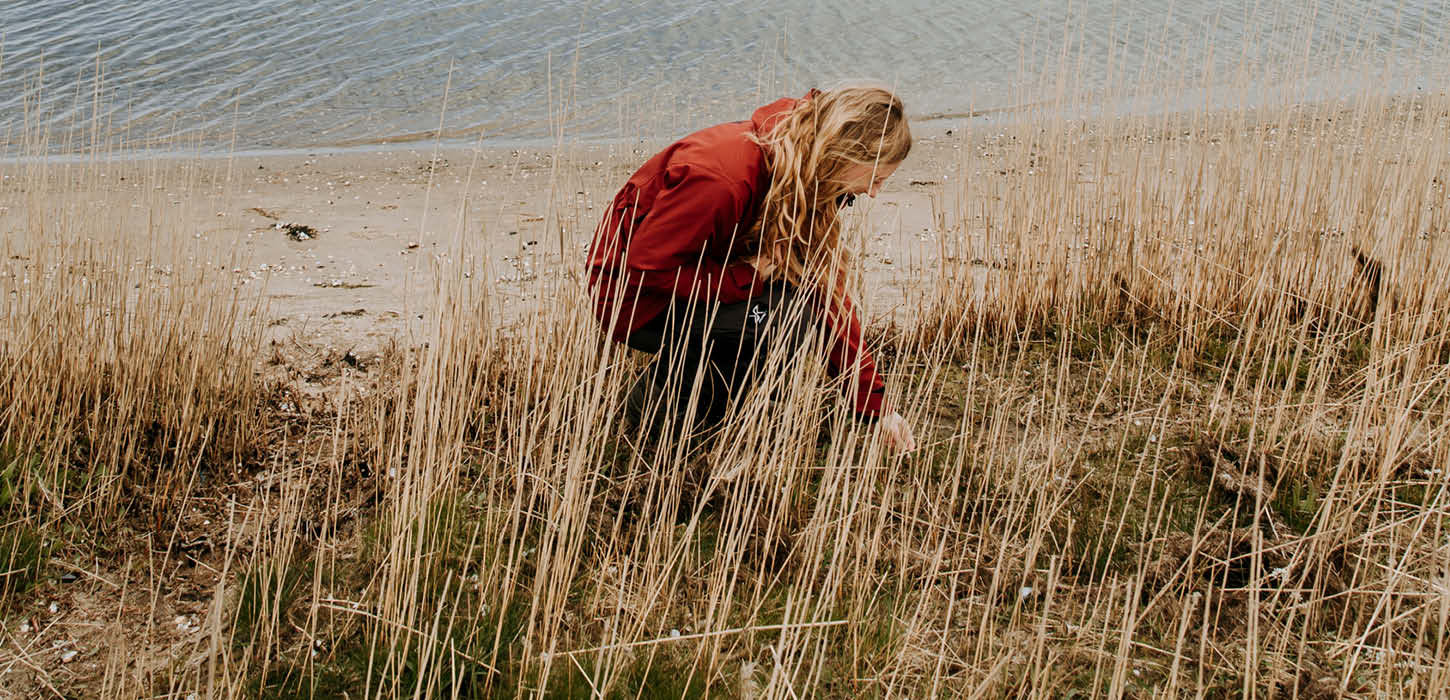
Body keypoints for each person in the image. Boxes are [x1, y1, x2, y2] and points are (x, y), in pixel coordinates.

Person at [587, 84, 917, 454]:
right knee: (774, 323)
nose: (874, 192)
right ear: (845, 153)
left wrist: (874, 407)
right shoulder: (722, 177)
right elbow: (646, 268)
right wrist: (743, 278)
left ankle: (706, 414)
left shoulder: (802, 174)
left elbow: (826, 294)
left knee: (794, 313)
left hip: (699, 277)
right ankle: (651, 420)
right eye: (875, 178)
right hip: (634, 300)